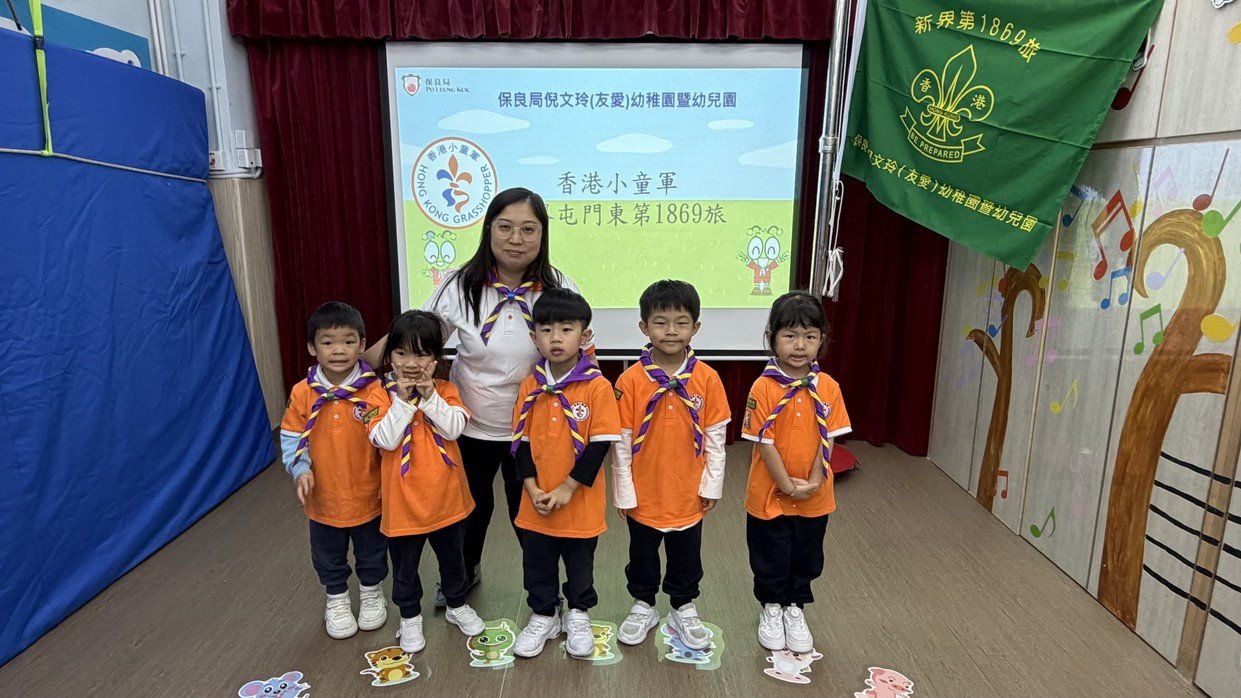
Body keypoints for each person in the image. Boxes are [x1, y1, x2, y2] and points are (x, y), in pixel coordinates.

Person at [362, 187, 591, 606]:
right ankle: (462, 577)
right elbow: (415, 336)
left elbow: (583, 359)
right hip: (467, 426)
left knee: (531, 515)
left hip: (535, 431)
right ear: (488, 230)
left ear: (543, 235)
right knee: (470, 512)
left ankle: (543, 594)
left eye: (528, 229)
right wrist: (355, 366)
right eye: (505, 227)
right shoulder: (460, 285)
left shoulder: (559, 288)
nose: (516, 239)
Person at [610, 281, 731, 648]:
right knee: (641, 556)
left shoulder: (707, 379)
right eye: (660, 322)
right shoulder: (630, 380)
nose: (671, 331)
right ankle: (643, 604)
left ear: (695, 327)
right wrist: (624, 491)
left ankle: (683, 605)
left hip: (687, 492)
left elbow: (716, 438)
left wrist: (711, 485)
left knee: (686, 557)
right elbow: (621, 442)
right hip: (645, 492)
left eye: (681, 323)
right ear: (644, 327)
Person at [365, 310, 486, 653]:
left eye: (421, 354)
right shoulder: (378, 395)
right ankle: (410, 617)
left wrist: (429, 396)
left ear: (436, 358)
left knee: (454, 560)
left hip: (447, 499)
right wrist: (403, 402)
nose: (411, 363)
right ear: (389, 357)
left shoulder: (447, 390)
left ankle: (457, 604)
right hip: (403, 505)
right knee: (405, 568)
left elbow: (453, 428)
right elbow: (385, 439)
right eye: (401, 353)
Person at [509, 289, 620, 658]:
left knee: (580, 565)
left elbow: (599, 445)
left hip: (579, 503)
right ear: (534, 337)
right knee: (536, 564)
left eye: (566, 329)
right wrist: (531, 488)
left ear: (584, 336)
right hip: (536, 502)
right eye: (546, 330)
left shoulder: (597, 386)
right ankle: (544, 614)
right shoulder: (530, 386)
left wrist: (568, 488)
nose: (555, 338)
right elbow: (521, 443)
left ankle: (578, 612)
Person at [740, 291, 851, 654]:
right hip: (770, 493)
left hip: (814, 495)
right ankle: (772, 606)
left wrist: (816, 480)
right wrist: (787, 485)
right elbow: (764, 442)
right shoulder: (763, 386)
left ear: (822, 340)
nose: (800, 346)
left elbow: (828, 437)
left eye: (809, 336)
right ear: (772, 337)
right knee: (770, 553)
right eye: (790, 336)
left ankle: (795, 607)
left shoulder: (828, 388)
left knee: (807, 553)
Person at [279, 302, 388, 640]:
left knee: (372, 550)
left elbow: (385, 438)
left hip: (368, 492)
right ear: (312, 347)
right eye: (327, 342)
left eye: (348, 341)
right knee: (327, 553)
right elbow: (292, 435)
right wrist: (300, 468)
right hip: (323, 496)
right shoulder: (302, 392)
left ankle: (371, 593)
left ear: (362, 344)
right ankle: (337, 598)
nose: (339, 350)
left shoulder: (373, 391)